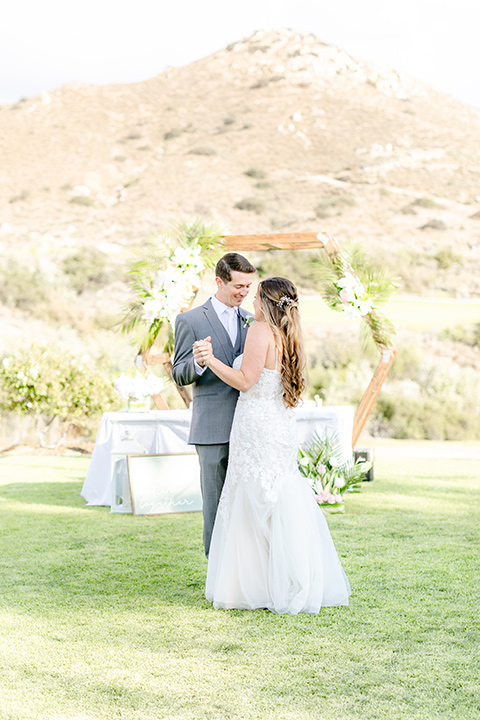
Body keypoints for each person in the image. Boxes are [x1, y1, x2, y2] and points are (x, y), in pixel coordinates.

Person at [193, 277, 351, 615]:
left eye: (256, 296)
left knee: (251, 495)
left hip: (256, 425)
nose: (250, 301)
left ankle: (255, 584)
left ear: (266, 302)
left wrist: (210, 360)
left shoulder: (260, 331)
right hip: (279, 424)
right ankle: (288, 578)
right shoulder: (289, 333)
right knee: (278, 494)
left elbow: (246, 381)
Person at [172, 252, 256, 557]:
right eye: (238, 286)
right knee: (215, 503)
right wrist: (198, 361)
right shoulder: (190, 320)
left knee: (248, 501)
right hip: (212, 429)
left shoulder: (253, 321)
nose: (244, 293)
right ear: (219, 281)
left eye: (248, 287)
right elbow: (178, 374)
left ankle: (245, 568)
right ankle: (217, 571)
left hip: (251, 425)